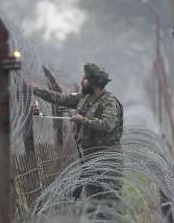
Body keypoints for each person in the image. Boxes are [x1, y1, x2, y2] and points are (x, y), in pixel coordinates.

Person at [31, 63, 124, 219]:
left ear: (94, 83)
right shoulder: (84, 98)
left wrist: (84, 120)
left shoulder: (109, 102)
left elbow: (107, 125)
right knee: (92, 202)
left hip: (108, 157)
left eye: (85, 79)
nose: (82, 81)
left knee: (110, 200)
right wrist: (37, 91)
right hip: (89, 156)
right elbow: (61, 98)